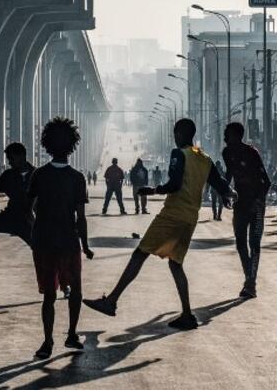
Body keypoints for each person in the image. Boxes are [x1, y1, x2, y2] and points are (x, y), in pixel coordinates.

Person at [84, 118, 235, 330]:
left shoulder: (179, 154)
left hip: (172, 214)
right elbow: (221, 185)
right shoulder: (205, 158)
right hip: (190, 218)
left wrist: (152, 190)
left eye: (176, 133)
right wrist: (230, 194)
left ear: (180, 134)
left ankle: (111, 301)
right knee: (175, 264)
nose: (174, 137)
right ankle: (187, 314)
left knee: (140, 254)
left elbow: (174, 185)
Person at [28, 118, 94, 359]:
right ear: (72, 145)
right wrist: (85, 245)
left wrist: (39, 228)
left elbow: (30, 209)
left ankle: (47, 342)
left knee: (49, 295)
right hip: (69, 241)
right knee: (75, 290)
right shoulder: (77, 178)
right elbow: (81, 217)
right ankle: (72, 334)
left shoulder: (39, 175)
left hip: (44, 241)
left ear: (47, 144)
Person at [222, 122, 270, 299]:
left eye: (227, 134)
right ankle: (249, 279)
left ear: (236, 135)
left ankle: (251, 283)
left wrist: (259, 201)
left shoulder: (252, 153)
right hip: (240, 204)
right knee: (240, 243)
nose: (224, 137)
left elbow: (266, 181)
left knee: (254, 244)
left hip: (256, 205)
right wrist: (224, 193)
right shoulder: (226, 153)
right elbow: (229, 174)